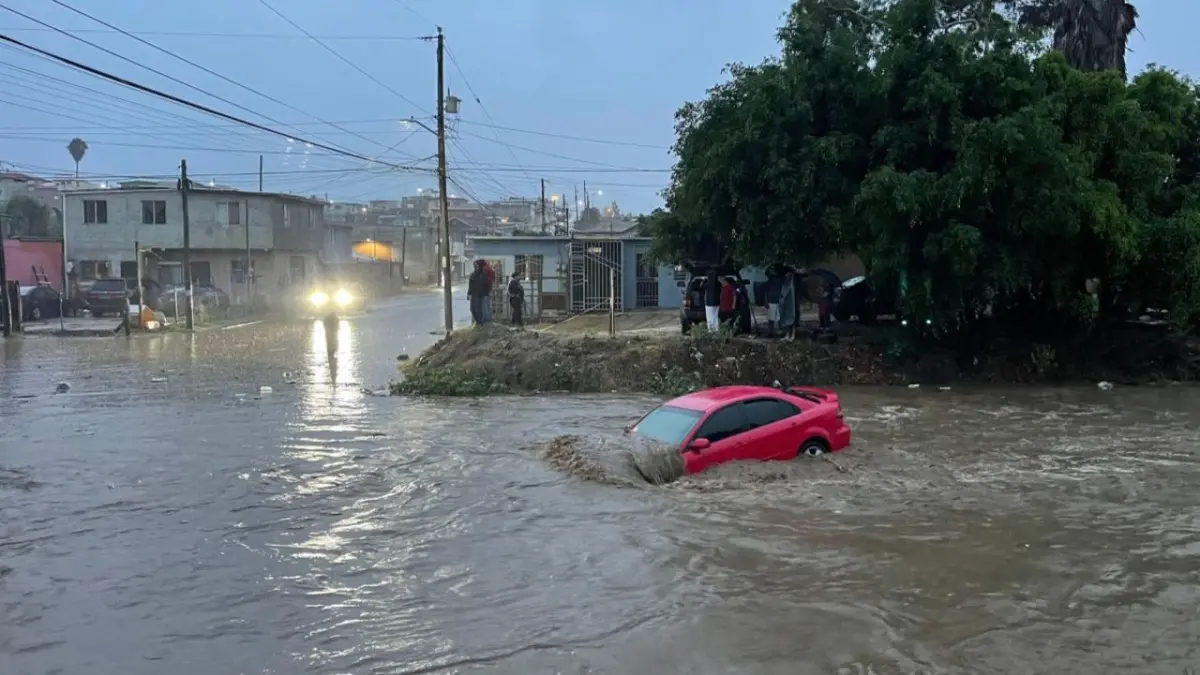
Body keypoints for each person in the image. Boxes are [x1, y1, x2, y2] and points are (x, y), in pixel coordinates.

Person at [467, 260, 490, 325]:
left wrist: (486, 294)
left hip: (480, 295)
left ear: (480, 266)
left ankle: (480, 323)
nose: (475, 266)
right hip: (473, 295)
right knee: (472, 309)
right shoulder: (472, 274)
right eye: (474, 265)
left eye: (476, 265)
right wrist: (468, 293)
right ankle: (478, 322)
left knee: (478, 310)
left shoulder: (483, 275)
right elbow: (470, 285)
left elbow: (486, 285)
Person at [763, 268, 783, 337]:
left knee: (772, 319)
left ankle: (772, 332)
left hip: (773, 302)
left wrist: (766, 302)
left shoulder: (770, 282)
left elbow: (765, 293)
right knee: (776, 318)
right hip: (776, 301)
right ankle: (775, 332)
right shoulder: (778, 281)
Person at [779, 268, 797, 341]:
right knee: (786, 320)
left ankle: (792, 335)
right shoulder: (785, 283)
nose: (787, 275)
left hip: (792, 305)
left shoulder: (792, 284)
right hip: (785, 305)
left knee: (792, 320)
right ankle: (787, 335)